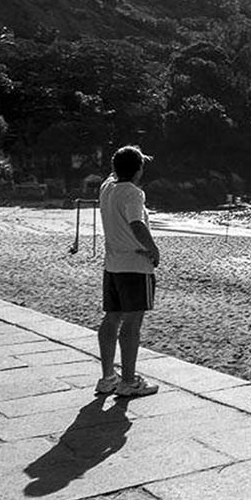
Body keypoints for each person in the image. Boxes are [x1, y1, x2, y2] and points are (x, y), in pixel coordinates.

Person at [96, 145, 160, 397]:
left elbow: (114, 172)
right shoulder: (133, 193)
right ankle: (129, 381)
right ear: (138, 170)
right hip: (135, 266)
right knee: (132, 324)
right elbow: (136, 224)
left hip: (112, 265)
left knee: (112, 318)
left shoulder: (107, 188)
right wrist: (153, 249)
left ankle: (107, 377)